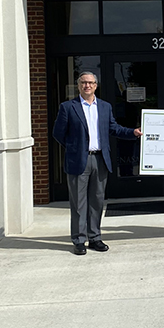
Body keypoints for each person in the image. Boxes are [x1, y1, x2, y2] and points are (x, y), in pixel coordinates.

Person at [53, 72, 142, 255]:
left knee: (97, 201)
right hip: (79, 160)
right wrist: (74, 148)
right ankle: (79, 240)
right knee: (78, 203)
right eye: (84, 83)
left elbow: (113, 128)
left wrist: (132, 132)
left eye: (91, 83)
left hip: (100, 159)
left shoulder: (104, 107)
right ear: (79, 85)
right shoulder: (68, 107)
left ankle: (95, 238)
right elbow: (58, 133)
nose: (87, 86)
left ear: (96, 85)